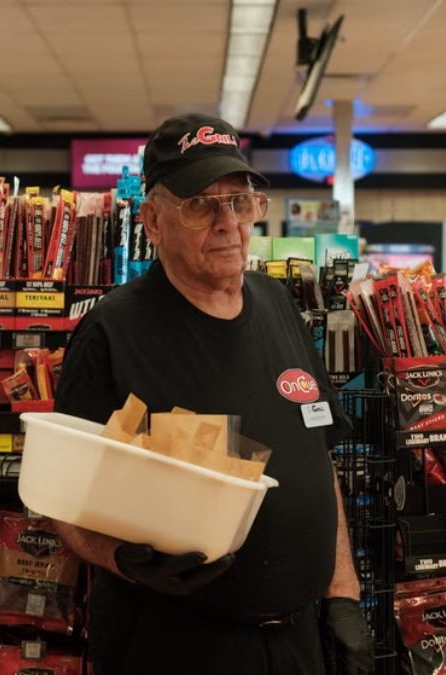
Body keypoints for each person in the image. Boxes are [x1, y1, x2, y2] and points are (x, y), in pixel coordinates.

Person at [53, 113, 370, 675]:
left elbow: (317, 460)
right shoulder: (112, 331)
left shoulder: (278, 305)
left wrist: (343, 592)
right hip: (174, 644)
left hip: (297, 641)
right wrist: (120, 559)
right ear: (152, 220)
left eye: (240, 202)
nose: (228, 223)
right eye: (201, 204)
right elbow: (57, 495)